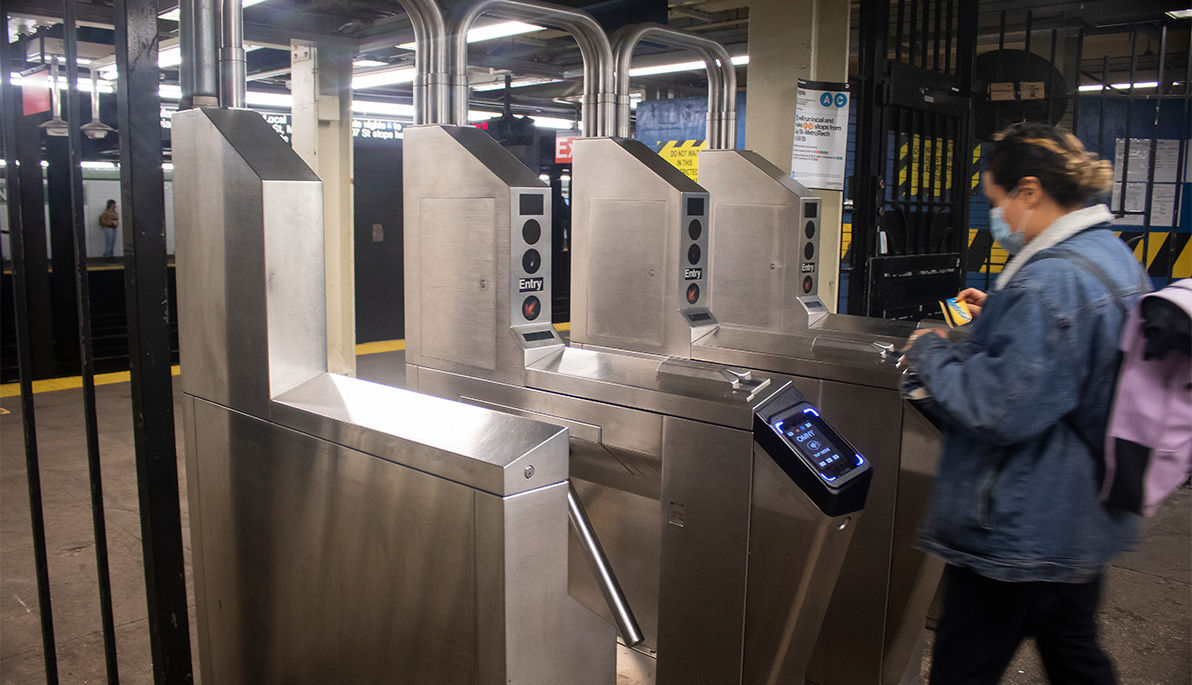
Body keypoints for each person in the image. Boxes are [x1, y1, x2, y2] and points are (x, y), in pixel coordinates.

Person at [902, 122, 1150, 685]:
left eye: (996, 202)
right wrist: (1003, 317)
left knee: (964, 670)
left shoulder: (1051, 282)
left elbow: (997, 408)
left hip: (1017, 523)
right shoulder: (1107, 258)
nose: (998, 217)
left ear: (1030, 191)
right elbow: (1077, 357)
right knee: (1076, 658)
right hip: (1081, 512)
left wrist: (932, 352)